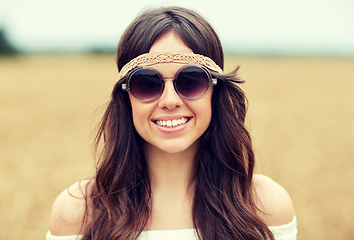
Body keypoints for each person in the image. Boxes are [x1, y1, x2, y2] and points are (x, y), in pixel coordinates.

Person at [47, 6, 297, 240]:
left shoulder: (264, 206)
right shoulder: (78, 212)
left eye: (191, 80)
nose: (169, 101)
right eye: (146, 83)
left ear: (215, 92)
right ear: (126, 96)